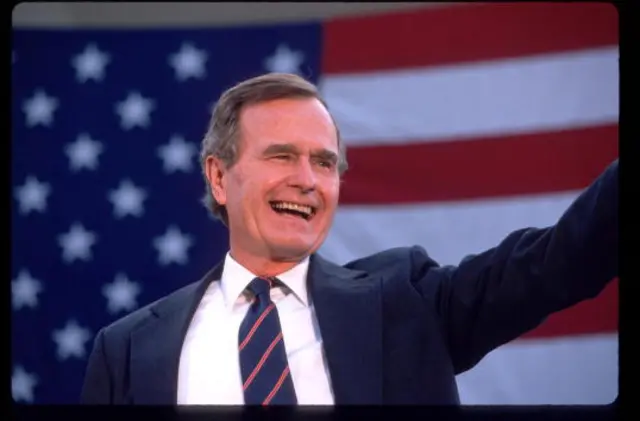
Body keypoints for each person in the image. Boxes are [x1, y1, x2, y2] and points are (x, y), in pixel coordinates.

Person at [80, 73, 618, 405]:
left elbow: (556, 263)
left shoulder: (405, 301)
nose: (308, 180)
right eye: (282, 156)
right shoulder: (128, 348)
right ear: (219, 177)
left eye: (324, 162)